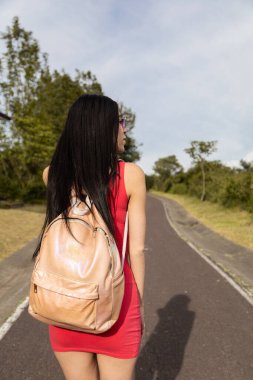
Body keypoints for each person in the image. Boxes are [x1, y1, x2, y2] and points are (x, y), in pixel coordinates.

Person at [34, 94, 146, 380]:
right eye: (120, 122)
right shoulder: (131, 175)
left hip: (67, 300)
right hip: (116, 303)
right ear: (103, 128)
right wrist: (138, 306)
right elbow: (136, 250)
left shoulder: (52, 175)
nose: (124, 129)